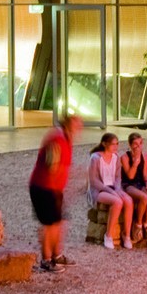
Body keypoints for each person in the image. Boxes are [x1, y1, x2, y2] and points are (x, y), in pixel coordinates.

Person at [28, 112, 84, 271]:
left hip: (54, 188)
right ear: (68, 123)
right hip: (44, 187)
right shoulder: (57, 138)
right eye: (77, 123)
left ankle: (57, 255)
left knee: (60, 223)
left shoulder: (66, 138)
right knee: (49, 225)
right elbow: (52, 165)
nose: (80, 127)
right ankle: (46, 260)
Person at [87, 132, 129, 250]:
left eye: (117, 144)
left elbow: (117, 177)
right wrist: (111, 191)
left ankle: (127, 235)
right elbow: (94, 180)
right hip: (99, 190)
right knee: (117, 202)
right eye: (112, 144)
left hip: (112, 187)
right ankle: (108, 235)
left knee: (128, 200)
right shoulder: (95, 158)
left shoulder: (116, 157)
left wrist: (117, 189)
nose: (115, 147)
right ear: (104, 144)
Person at [120, 132, 147, 246]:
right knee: (144, 198)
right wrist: (135, 163)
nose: (138, 146)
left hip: (140, 183)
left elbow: (145, 174)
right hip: (128, 184)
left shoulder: (144, 157)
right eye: (135, 144)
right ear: (130, 145)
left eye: (140, 143)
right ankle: (138, 224)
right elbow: (130, 176)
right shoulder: (125, 157)